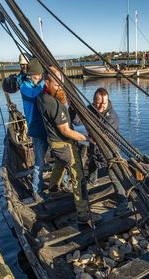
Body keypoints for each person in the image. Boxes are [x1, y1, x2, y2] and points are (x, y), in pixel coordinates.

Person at [37, 67, 91, 223]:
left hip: (54, 144)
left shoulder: (42, 96)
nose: (60, 86)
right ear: (46, 82)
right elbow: (66, 130)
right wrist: (87, 138)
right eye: (56, 83)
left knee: (60, 164)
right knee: (78, 176)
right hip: (64, 144)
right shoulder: (52, 103)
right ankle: (83, 214)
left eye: (61, 82)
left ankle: (53, 189)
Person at [69, 87, 128, 215]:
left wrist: (89, 129)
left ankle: (123, 201)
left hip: (108, 151)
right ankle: (92, 181)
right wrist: (73, 110)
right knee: (92, 165)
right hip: (94, 149)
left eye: (104, 103)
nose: (101, 106)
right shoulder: (90, 109)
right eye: (98, 103)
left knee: (114, 176)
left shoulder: (112, 116)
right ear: (93, 101)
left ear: (108, 101)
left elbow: (103, 133)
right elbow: (77, 121)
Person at [19, 58, 48, 202]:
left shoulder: (41, 83)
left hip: (50, 127)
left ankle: (64, 181)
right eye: (37, 76)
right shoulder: (25, 86)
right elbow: (34, 93)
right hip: (37, 129)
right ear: (31, 75)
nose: (40, 78)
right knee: (39, 163)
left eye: (41, 75)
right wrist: (46, 80)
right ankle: (36, 190)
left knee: (61, 156)